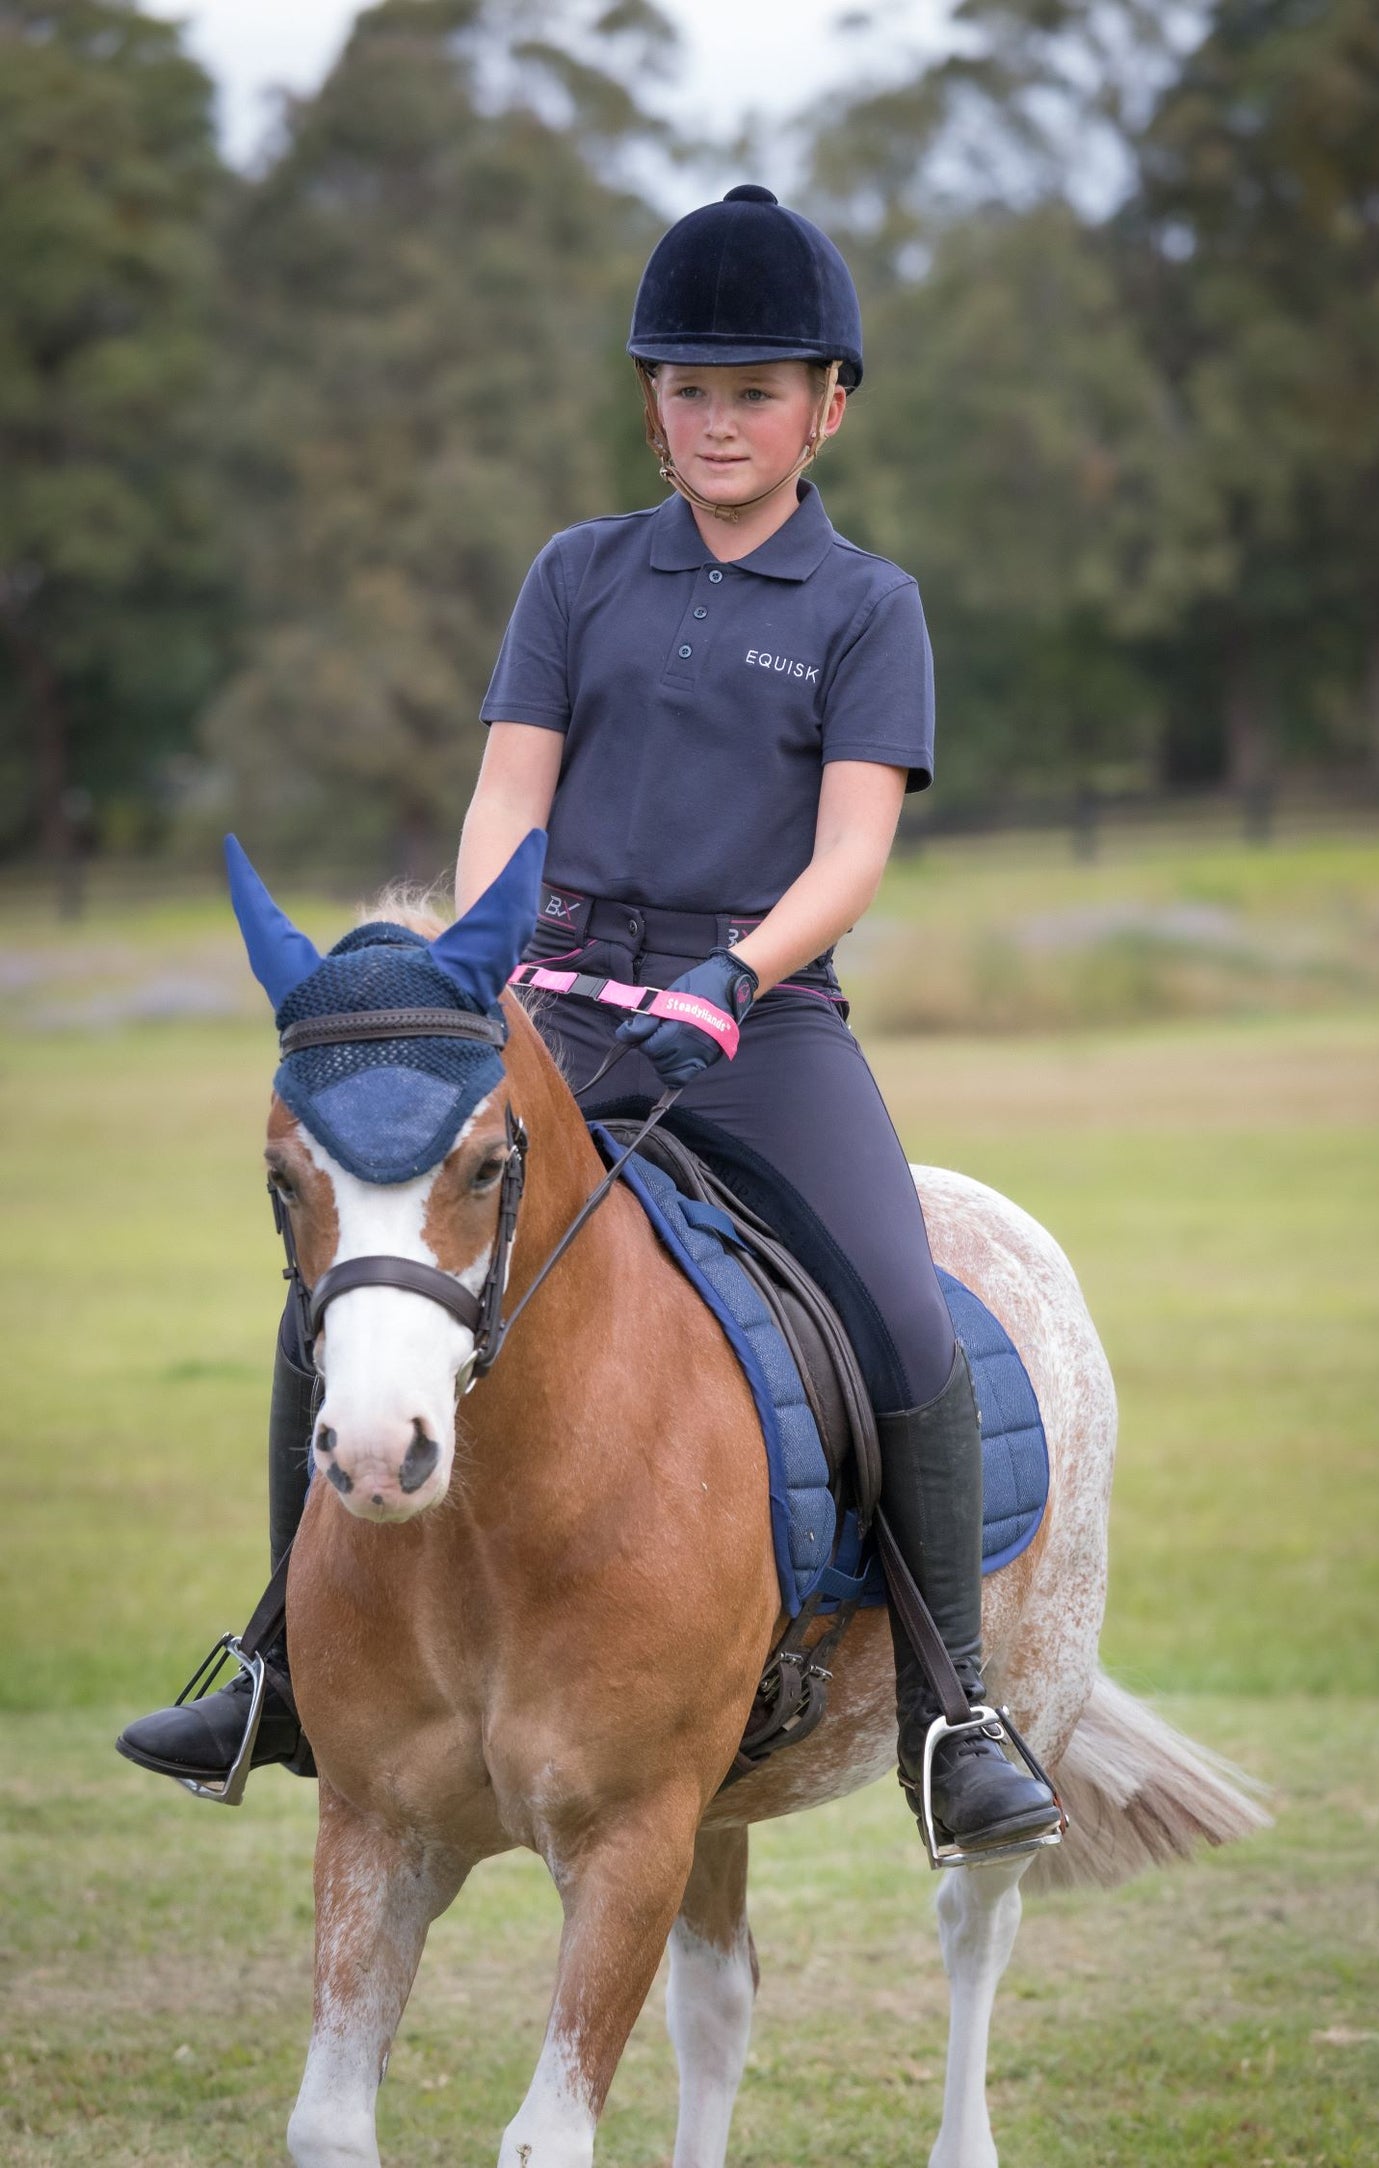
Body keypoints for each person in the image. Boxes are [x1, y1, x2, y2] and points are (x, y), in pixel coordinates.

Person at [117, 184, 1059, 1858]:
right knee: (354, 1276)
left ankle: (949, 1712)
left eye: (755, 390)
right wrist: (487, 965)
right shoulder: (575, 575)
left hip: (760, 1027)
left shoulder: (866, 605)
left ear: (825, 404)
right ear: (650, 404)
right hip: (543, 1007)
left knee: (905, 1325)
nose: (719, 420)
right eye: (688, 390)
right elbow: (505, 797)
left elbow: (851, 852)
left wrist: (736, 975)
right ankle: (273, 1662)